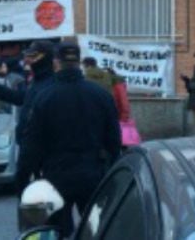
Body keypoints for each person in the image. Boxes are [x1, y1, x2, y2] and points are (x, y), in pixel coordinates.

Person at [15, 42, 121, 237]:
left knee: (56, 231)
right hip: (92, 173)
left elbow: (31, 144)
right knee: (97, 229)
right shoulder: (101, 95)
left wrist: (22, 178)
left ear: (57, 62)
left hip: (55, 175)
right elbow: (114, 141)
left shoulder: (44, 97)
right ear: (79, 62)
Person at [0, 40, 56, 147]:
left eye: (32, 56)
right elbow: (17, 97)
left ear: (45, 58)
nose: (26, 60)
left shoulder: (50, 85)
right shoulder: (37, 81)